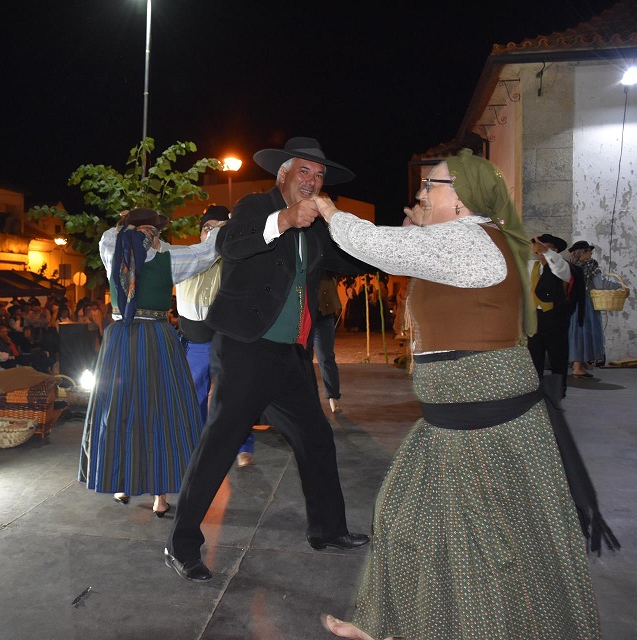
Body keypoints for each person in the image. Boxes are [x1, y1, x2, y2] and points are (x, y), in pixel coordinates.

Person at [314, 149, 601, 640]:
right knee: (405, 517)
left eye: (431, 185)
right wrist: (419, 228)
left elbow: (376, 244)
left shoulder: (471, 239)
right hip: (455, 419)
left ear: (463, 199)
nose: (421, 193)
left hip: (482, 423)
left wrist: (328, 208)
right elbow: (412, 254)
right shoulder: (466, 240)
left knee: (485, 547)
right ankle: (384, 623)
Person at [165, 137, 370, 582]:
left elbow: (356, 258)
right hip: (244, 348)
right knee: (220, 444)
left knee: (317, 438)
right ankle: (181, 545)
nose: (312, 181)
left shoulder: (318, 226)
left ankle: (328, 530)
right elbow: (231, 244)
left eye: (319, 175)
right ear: (283, 175)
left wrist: (398, 237)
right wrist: (284, 219)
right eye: (304, 171)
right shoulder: (255, 207)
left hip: (289, 355)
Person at [79, 207, 222, 518]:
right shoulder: (168, 256)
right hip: (156, 338)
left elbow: (110, 236)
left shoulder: (113, 248)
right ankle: (159, 497)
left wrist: (126, 226)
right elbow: (207, 251)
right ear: (156, 231)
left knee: (120, 409)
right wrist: (221, 228)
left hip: (121, 339)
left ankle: (121, 484)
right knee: (160, 412)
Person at [175, 204, 257, 466]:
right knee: (194, 395)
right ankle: (197, 445)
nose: (211, 234)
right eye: (207, 228)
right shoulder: (186, 258)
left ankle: (243, 446)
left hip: (227, 340)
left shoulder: (235, 260)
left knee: (235, 394)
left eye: (218, 228)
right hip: (196, 341)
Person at [567, 240, 624, 377]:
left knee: (575, 333)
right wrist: (619, 284)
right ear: (582, 252)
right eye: (588, 250)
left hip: (572, 304)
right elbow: (600, 283)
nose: (591, 253)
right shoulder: (590, 266)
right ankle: (578, 367)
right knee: (585, 333)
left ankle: (577, 364)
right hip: (586, 304)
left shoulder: (570, 266)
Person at [526, 233, 573, 396]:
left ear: (555, 251)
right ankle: (535, 390)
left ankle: (558, 390)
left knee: (557, 355)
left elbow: (558, 266)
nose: (541, 252)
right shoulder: (531, 266)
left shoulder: (563, 266)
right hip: (535, 317)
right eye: (539, 248)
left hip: (555, 316)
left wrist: (547, 254)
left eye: (546, 248)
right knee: (534, 354)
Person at [313, 270, 343, 413]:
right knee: (302, 358)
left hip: (323, 314)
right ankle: (308, 400)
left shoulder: (326, 263)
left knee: (325, 357)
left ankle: (333, 396)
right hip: (303, 315)